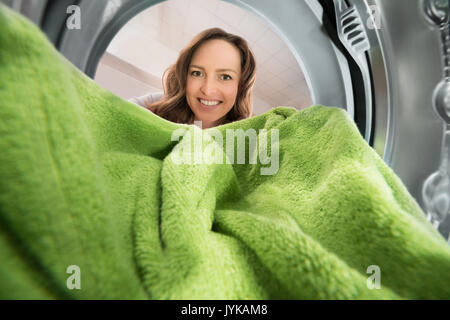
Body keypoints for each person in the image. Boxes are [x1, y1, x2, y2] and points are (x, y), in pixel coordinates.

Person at [129, 27, 257, 129]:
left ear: (241, 85)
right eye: (197, 73)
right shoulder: (160, 104)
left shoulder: (250, 135)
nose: (208, 90)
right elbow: (116, 109)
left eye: (225, 76)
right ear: (185, 75)